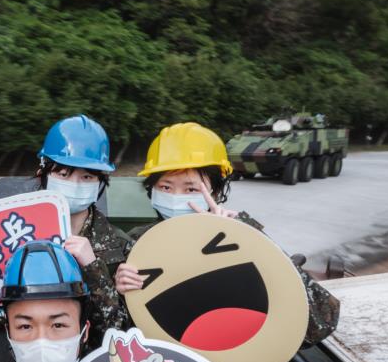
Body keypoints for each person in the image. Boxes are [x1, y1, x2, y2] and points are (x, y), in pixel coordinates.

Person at [114, 122, 339, 344]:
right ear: (151, 190)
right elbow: (119, 332)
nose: (175, 196)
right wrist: (121, 293)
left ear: (216, 190)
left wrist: (246, 238)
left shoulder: (242, 238)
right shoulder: (137, 244)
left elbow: (319, 324)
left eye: (191, 188)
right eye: (165, 187)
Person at [0, 115, 133, 347]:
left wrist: (93, 269)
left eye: (87, 176)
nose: (75, 183)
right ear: (44, 173)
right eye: (63, 174)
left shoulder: (121, 248)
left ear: (101, 183)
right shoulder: (9, 227)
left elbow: (118, 333)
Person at [0, 240, 90, 362]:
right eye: (25, 326)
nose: (41, 341)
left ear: (84, 331)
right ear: (8, 331)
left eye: (57, 325)